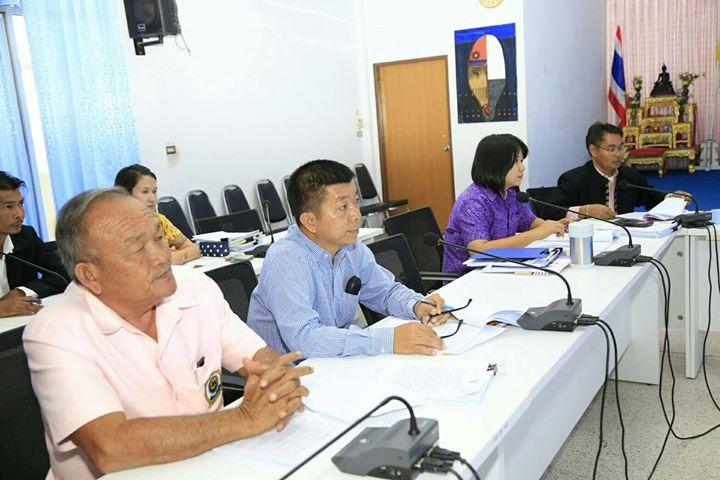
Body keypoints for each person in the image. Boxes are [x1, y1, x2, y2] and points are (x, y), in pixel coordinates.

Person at [23, 189, 311, 479]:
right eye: (137, 249)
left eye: (159, 238)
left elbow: (258, 356)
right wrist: (245, 418)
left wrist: (276, 380)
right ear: (90, 275)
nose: (161, 256)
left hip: (212, 464)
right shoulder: (56, 331)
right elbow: (111, 447)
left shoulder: (194, 286)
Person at [248, 160, 450, 359]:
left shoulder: (351, 248)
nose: (356, 215)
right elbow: (304, 338)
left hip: (333, 361)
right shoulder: (286, 259)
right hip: (290, 373)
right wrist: (388, 340)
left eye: (356, 201)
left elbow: (384, 292)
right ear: (310, 221)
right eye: (343, 207)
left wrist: (417, 305)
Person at [442, 134, 567, 275]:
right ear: (496, 164)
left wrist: (555, 226)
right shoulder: (473, 201)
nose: (522, 168)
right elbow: (479, 251)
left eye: (521, 161)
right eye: (516, 162)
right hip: (467, 278)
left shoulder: (510, 193)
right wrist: (538, 233)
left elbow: (530, 222)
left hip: (499, 268)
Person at [545, 122, 687, 220]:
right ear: (593, 150)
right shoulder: (574, 179)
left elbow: (651, 197)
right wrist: (584, 211)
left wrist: (672, 198)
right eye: (611, 149)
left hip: (625, 237)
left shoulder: (630, 176)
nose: (618, 154)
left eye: (621, 148)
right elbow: (550, 210)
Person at [0, 171, 67, 317]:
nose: (19, 214)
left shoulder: (25, 236)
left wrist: (21, 292)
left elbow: (62, 274)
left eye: (20, 204)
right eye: (8, 206)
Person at [115, 164, 200, 265]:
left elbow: (194, 249)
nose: (152, 198)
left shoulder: (159, 220)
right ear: (125, 194)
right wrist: (172, 256)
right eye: (145, 192)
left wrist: (175, 257)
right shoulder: (116, 227)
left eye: (154, 191)